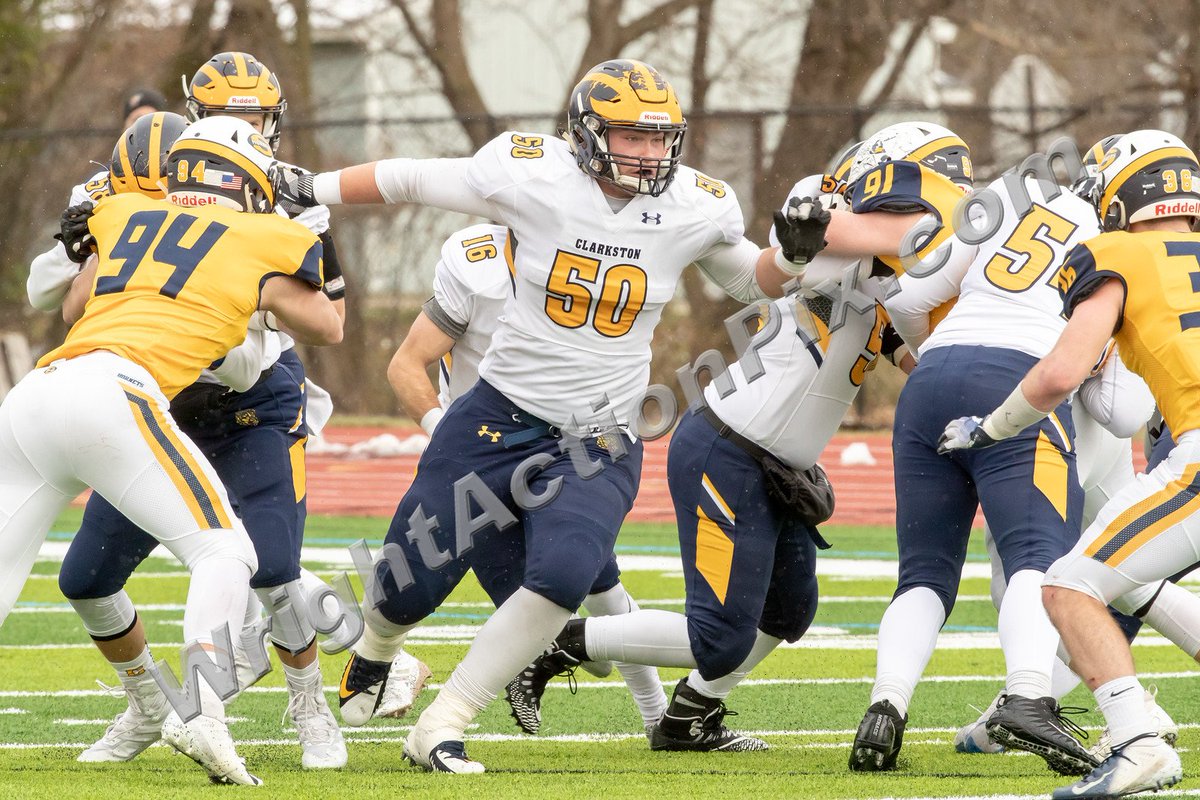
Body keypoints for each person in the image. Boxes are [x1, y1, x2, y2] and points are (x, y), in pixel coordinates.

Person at [278, 58, 810, 772]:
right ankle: (376, 649)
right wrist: (309, 186)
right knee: (408, 585)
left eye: (660, 139)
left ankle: (442, 723)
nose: (651, 155)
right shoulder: (527, 171)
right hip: (497, 416)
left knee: (564, 575)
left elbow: (750, 278)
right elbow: (409, 176)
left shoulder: (694, 204)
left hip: (602, 434)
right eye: (632, 137)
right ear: (587, 132)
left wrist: (793, 254)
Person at [36, 52, 392, 772]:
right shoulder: (133, 183)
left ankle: (309, 703)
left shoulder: (288, 197)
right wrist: (85, 243)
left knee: (274, 567)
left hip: (249, 403)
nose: (244, 133)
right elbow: (51, 294)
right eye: (229, 118)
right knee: (86, 578)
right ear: (189, 120)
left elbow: (328, 321)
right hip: (154, 404)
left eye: (256, 119)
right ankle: (147, 704)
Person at [534, 141, 915, 752]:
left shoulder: (884, 279)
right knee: (720, 636)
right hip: (728, 452)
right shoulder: (831, 260)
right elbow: (803, 244)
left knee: (788, 613)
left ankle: (690, 716)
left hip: (777, 461)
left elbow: (912, 345)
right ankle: (560, 643)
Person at [937, 128, 1198, 798]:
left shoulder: (1116, 251)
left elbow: (1059, 373)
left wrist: (991, 428)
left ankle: (1137, 742)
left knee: (1067, 586)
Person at [385, 224, 667, 736]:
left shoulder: (604, 254)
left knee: (600, 589)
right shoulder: (480, 265)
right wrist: (443, 435)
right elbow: (406, 363)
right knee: (561, 626)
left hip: (571, 449)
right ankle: (511, 675)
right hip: (489, 458)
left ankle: (657, 717)